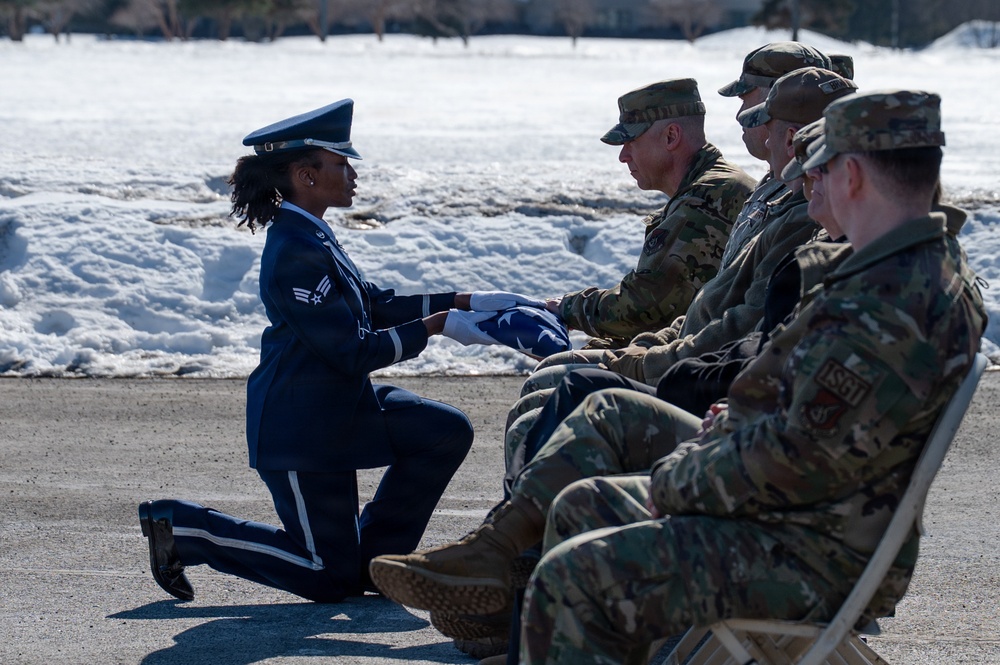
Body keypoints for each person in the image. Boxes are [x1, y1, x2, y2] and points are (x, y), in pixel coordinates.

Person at [369, 89, 987, 664]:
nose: (810, 182)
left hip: (811, 550)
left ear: (852, 174)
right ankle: (523, 614)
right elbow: (788, 407)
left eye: (820, 169)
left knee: (576, 573)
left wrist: (675, 477)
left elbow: (786, 461)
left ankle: (543, 627)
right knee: (585, 501)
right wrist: (731, 421)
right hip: (802, 518)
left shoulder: (886, 305)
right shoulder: (900, 271)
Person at [136, 99, 533, 603]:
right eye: (341, 165)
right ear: (305, 175)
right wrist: (437, 326)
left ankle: (376, 564)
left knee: (443, 432)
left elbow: (374, 304)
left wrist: (467, 300)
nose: (352, 175)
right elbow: (351, 351)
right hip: (300, 428)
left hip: (337, 409)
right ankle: (186, 529)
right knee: (325, 576)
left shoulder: (312, 235)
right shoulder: (293, 251)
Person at [548, 78, 754, 350]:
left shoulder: (706, 199)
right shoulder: (711, 187)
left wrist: (566, 310)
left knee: (565, 374)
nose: (623, 156)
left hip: (717, 360)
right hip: (711, 348)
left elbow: (646, 306)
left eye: (631, 140)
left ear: (671, 136)